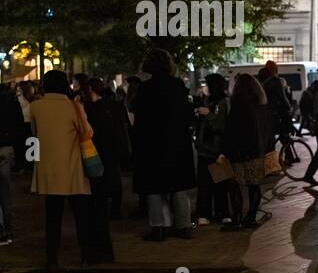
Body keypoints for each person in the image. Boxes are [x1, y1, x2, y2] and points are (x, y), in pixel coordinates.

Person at [29, 71, 99, 269]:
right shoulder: (73, 106)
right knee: (80, 215)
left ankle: (52, 259)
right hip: (73, 165)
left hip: (48, 167)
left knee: (52, 217)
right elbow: (87, 132)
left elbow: (34, 133)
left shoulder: (36, 106)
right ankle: (86, 254)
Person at [132, 48, 196, 240]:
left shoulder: (144, 88)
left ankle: (158, 227)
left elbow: (139, 118)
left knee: (153, 187)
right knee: (179, 186)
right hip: (176, 143)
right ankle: (184, 225)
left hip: (151, 143)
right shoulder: (178, 86)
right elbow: (187, 115)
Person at [80, 78, 126, 261]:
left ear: (89, 89)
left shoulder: (91, 110)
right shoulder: (114, 106)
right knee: (102, 201)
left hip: (94, 160)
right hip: (111, 158)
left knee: (95, 205)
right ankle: (104, 248)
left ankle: (97, 250)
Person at [221, 73, 274, 230]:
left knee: (234, 185)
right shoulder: (262, 104)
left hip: (238, 152)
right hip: (257, 151)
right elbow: (268, 130)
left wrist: (224, 151)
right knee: (254, 185)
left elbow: (231, 130)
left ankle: (236, 219)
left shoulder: (238, 104)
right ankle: (251, 218)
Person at [0, 57, 25, 246]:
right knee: (5, 192)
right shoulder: (8, 95)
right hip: (5, 149)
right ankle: (9, 229)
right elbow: (18, 124)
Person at [193, 73, 230, 226]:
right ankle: (205, 212)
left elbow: (220, 126)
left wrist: (208, 115)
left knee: (219, 181)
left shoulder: (223, 103)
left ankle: (221, 212)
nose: (205, 88)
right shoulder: (209, 101)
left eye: (208, 85)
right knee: (205, 183)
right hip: (205, 148)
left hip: (217, 148)